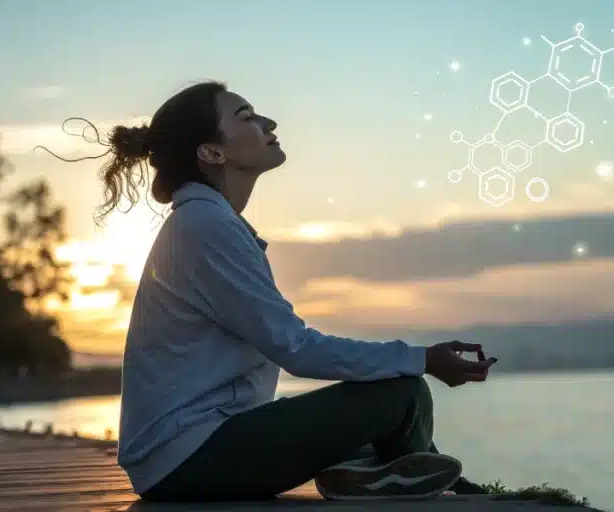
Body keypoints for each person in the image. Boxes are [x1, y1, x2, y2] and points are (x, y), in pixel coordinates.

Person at [47, 81, 499, 502]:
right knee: (401, 393)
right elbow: (295, 348)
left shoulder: (208, 223)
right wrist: (423, 358)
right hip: (185, 460)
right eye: (246, 117)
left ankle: (384, 473)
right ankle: (427, 485)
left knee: (397, 393)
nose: (269, 124)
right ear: (211, 152)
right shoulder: (205, 227)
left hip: (192, 449)